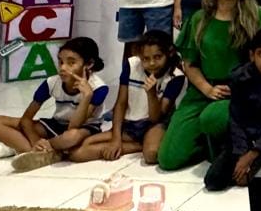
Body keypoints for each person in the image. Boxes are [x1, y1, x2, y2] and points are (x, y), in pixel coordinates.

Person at [157, 0, 261, 171]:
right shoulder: (198, 19)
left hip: (243, 94)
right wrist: (207, 89)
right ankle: (209, 144)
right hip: (202, 91)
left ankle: (222, 145)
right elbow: (190, 64)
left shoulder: (260, 17)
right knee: (168, 159)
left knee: (212, 118)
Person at [203, 26, 261, 192]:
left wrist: (253, 154)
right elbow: (236, 119)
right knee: (213, 181)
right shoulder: (240, 78)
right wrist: (242, 153)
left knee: (251, 180)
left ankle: (254, 170)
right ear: (252, 55)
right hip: (242, 139)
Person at [0, 37, 108, 169]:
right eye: (60, 62)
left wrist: (87, 96)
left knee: (71, 136)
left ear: (89, 64)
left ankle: (41, 149)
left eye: (71, 63)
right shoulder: (52, 82)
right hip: (56, 124)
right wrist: (37, 141)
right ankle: (40, 152)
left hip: (84, 129)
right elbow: (26, 119)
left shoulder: (99, 88)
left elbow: (74, 126)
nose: (63, 68)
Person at [70, 30, 184, 166]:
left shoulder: (175, 76)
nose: (152, 63)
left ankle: (139, 145)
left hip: (154, 125)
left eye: (158, 57)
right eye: (146, 59)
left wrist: (151, 94)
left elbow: (156, 118)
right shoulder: (132, 65)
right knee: (78, 152)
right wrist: (115, 140)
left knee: (151, 154)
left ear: (169, 53)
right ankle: (136, 144)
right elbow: (121, 103)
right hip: (130, 125)